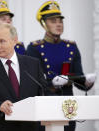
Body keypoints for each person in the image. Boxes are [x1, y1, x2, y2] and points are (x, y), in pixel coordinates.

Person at [26, 1, 96, 131]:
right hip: (46, 105)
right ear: (43, 24)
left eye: (60, 21)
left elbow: (77, 79)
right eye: (53, 21)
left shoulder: (71, 47)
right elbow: (32, 82)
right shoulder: (34, 48)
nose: (58, 24)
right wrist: (52, 83)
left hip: (68, 106)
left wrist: (86, 82)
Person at [0, 23, 47, 131]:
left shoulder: (33, 64)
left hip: (29, 127)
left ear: (14, 40)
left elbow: (44, 92)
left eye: (2, 41)